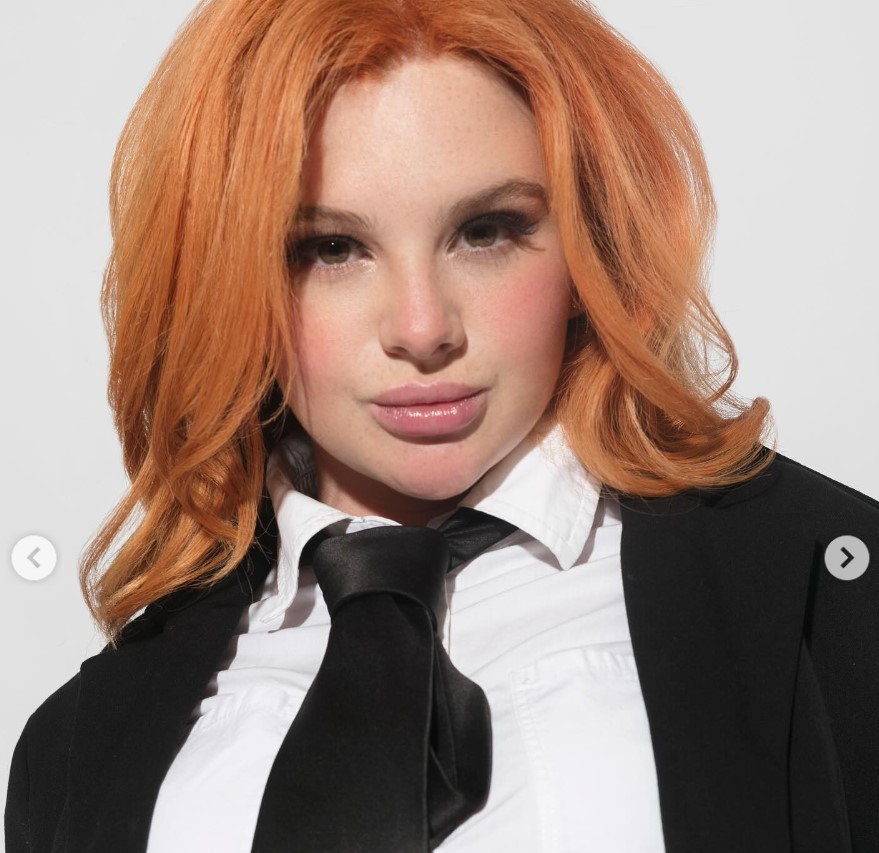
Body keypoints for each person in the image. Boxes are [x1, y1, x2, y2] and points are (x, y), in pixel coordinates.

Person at [5, 0, 878, 850]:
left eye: (485, 230)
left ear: (592, 248)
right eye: (329, 248)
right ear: (224, 281)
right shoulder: (78, 745)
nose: (422, 329)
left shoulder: (831, 596)